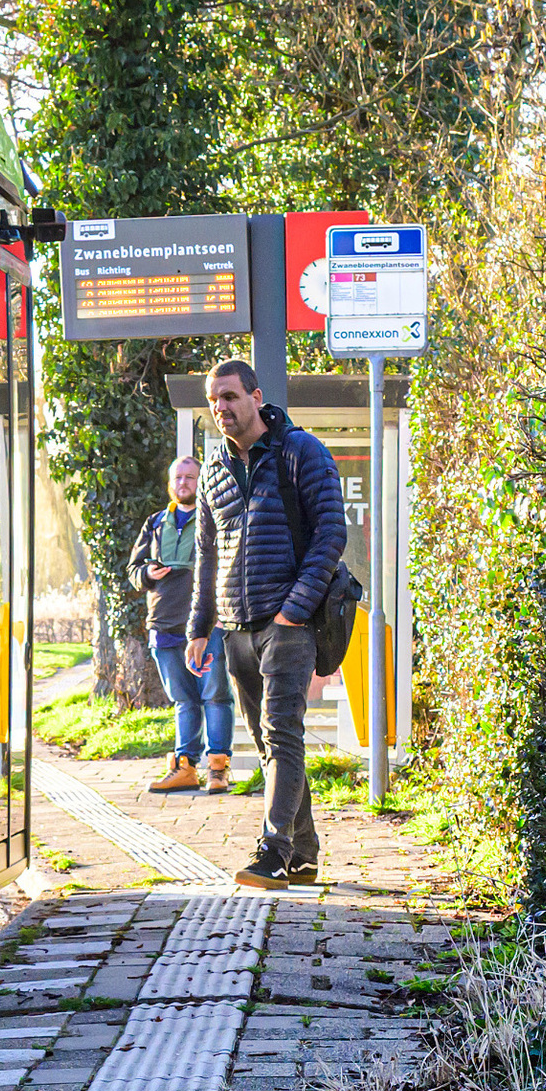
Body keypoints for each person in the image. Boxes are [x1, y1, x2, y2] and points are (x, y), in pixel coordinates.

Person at [188, 359, 349, 890]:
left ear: (256, 396)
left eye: (230, 396)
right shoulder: (212, 471)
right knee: (265, 741)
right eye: (215, 400)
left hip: (288, 623)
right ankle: (304, 854)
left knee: (282, 734)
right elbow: (206, 554)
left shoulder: (300, 452)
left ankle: (274, 851)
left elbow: (330, 533)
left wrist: (294, 609)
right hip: (237, 626)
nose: (221, 408)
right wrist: (199, 626)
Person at [124, 455, 231, 794]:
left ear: (201, 483)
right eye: (178, 478)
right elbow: (133, 570)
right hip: (164, 624)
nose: (183, 483)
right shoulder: (155, 523)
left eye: (190, 477)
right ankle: (185, 767)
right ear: (170, 484)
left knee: (215, 695)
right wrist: (145, 574)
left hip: (207, 625)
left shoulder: (214, 520)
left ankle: (218, 770)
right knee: (183, 700)